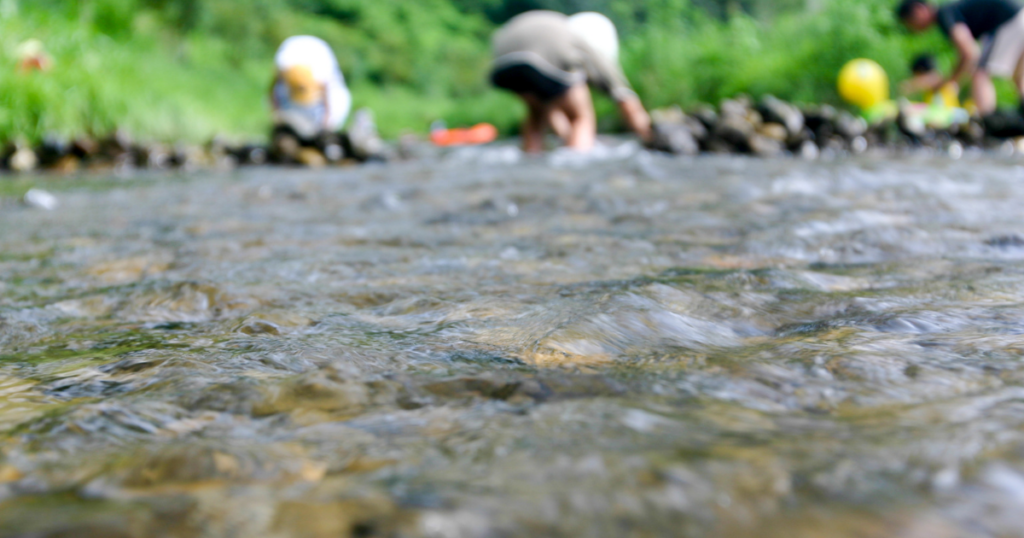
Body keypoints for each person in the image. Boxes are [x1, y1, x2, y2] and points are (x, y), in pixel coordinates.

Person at [489, 11, 653, 153]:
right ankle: (574, 165)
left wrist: (566, 137)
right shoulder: (588, 46)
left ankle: (531, 157)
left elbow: (554, 112)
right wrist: (648, 136)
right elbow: (626, 100)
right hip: (537, 54)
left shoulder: (561, 31)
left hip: (501, 57)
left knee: (537, 113)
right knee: (580, 117)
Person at [896, 0, 1024, 116]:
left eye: (910, 23)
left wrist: (952, 82)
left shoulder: (944, 14)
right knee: (1018, 78)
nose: (915, 30)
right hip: (1019, 17)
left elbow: (970, 53)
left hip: (1009, 20)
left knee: (980, 74)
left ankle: (987, 122)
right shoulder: (952, 11)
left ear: (918, 11)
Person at [270, 36, 352, 159]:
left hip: (324, 103)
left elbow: (327, 94)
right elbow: (273, 89)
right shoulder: (284, 62)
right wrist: (276, 112)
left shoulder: (322, 69)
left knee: (327, 136)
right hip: (293, 109)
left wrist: (327, 121)